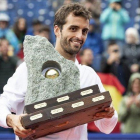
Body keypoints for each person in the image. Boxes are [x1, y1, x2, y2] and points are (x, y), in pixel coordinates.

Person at [0, 3, 118, 140]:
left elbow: (106, 127)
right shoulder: (30, 68)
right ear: (57, 30)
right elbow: (3, 103)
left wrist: (109, 114)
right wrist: (10, 119)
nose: (79, 36)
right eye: (73, 29)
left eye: (84, 31)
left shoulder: (88, 75)